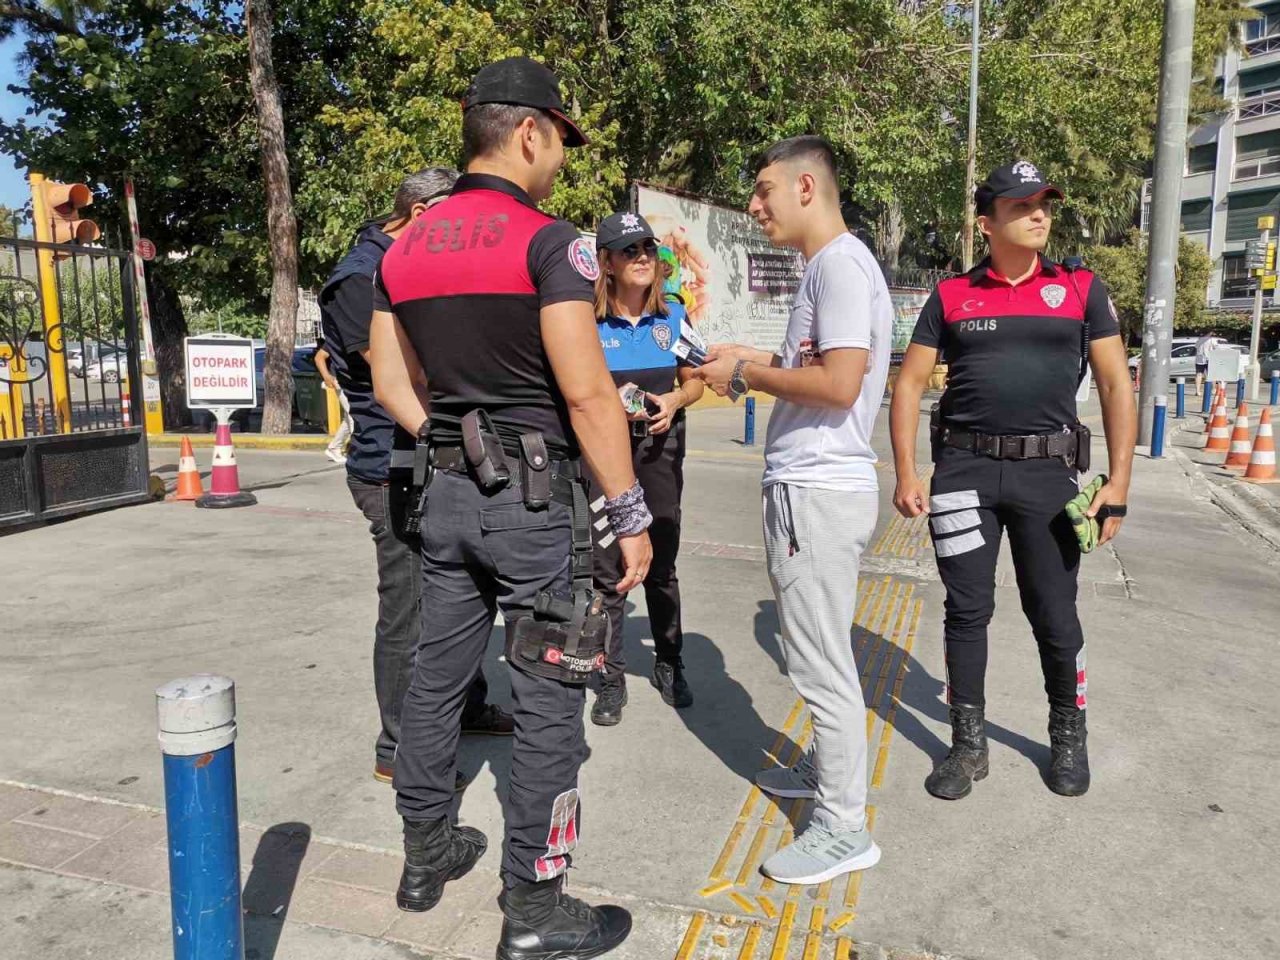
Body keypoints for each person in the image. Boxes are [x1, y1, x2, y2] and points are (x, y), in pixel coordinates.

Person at [369, 56, 653, 959]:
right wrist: (629, 513)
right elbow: (588, 394)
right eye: (561, 141)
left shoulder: (404, 246)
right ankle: (535, 906)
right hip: (532, 506)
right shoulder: (549, 243)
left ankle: (426, 855)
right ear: (529, 132)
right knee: (550, 697)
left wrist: (455, 439)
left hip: (445, 497)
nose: (561, 159)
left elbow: (388, 379)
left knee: (435, 678)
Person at [889, 161, 1137, 801]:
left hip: (1048, 476)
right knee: (966, 611)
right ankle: (967, 745)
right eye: (1022, 206)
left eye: (1044, 204)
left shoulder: (1080, 288)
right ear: (986, 223)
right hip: (962, 474)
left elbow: (1116, 384)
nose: (1039, 215)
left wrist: (1119, 484)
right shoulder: (951, 295)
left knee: (1053, 611)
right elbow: (908, 384)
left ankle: (1068, 736)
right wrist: (908, 471)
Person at [695, 135, 891, 886]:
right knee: (821, 650)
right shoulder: (832, 266)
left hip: (817, 490)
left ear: (806, 188)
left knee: (820, 663)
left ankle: (843, 827)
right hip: (814, 488)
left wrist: (747, 375)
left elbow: (839, 385)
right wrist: (748, 360)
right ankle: (825, 775)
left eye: (764, 189)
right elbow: (816, 370)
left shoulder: (839, 265)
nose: (755, 205)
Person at [318, 167, 514, 793]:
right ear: (424, 213)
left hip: (436, 457)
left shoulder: (407, 266)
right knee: (410, 610)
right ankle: (398, 747)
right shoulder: (360, 278)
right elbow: (403, 373)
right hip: (392, 468)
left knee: (462, 595)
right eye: (454, 221)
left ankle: (467, 706)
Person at [585, 211, 704, 726]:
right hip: (604, 457)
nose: (642, 258)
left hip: (660, 453)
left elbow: (697, 380)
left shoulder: (672, 317)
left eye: (648, 249)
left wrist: (675, 400)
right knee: (609, 569)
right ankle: (610, 678)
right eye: (629, 250)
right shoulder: (587, 324)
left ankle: (669, 661)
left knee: (662, 562)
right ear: (607, 263)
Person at [314, 342, 354, 463]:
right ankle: (360, 452)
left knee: (348, 418)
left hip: (353, 381)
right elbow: (319, 357)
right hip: (340, 381)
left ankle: (334, 447)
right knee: (354, 416)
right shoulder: (338, 338)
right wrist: (326, 376)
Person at [1195, 329, 1219, 396]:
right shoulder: (1212, 340)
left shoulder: (1199, 340)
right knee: (1211, 374)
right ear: (1210, 333)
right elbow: (1216, 348)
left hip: (1199, 359)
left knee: (1199, 375)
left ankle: (1198, 391)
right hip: (1209, 359)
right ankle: (1213, 389)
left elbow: (1196, 347)